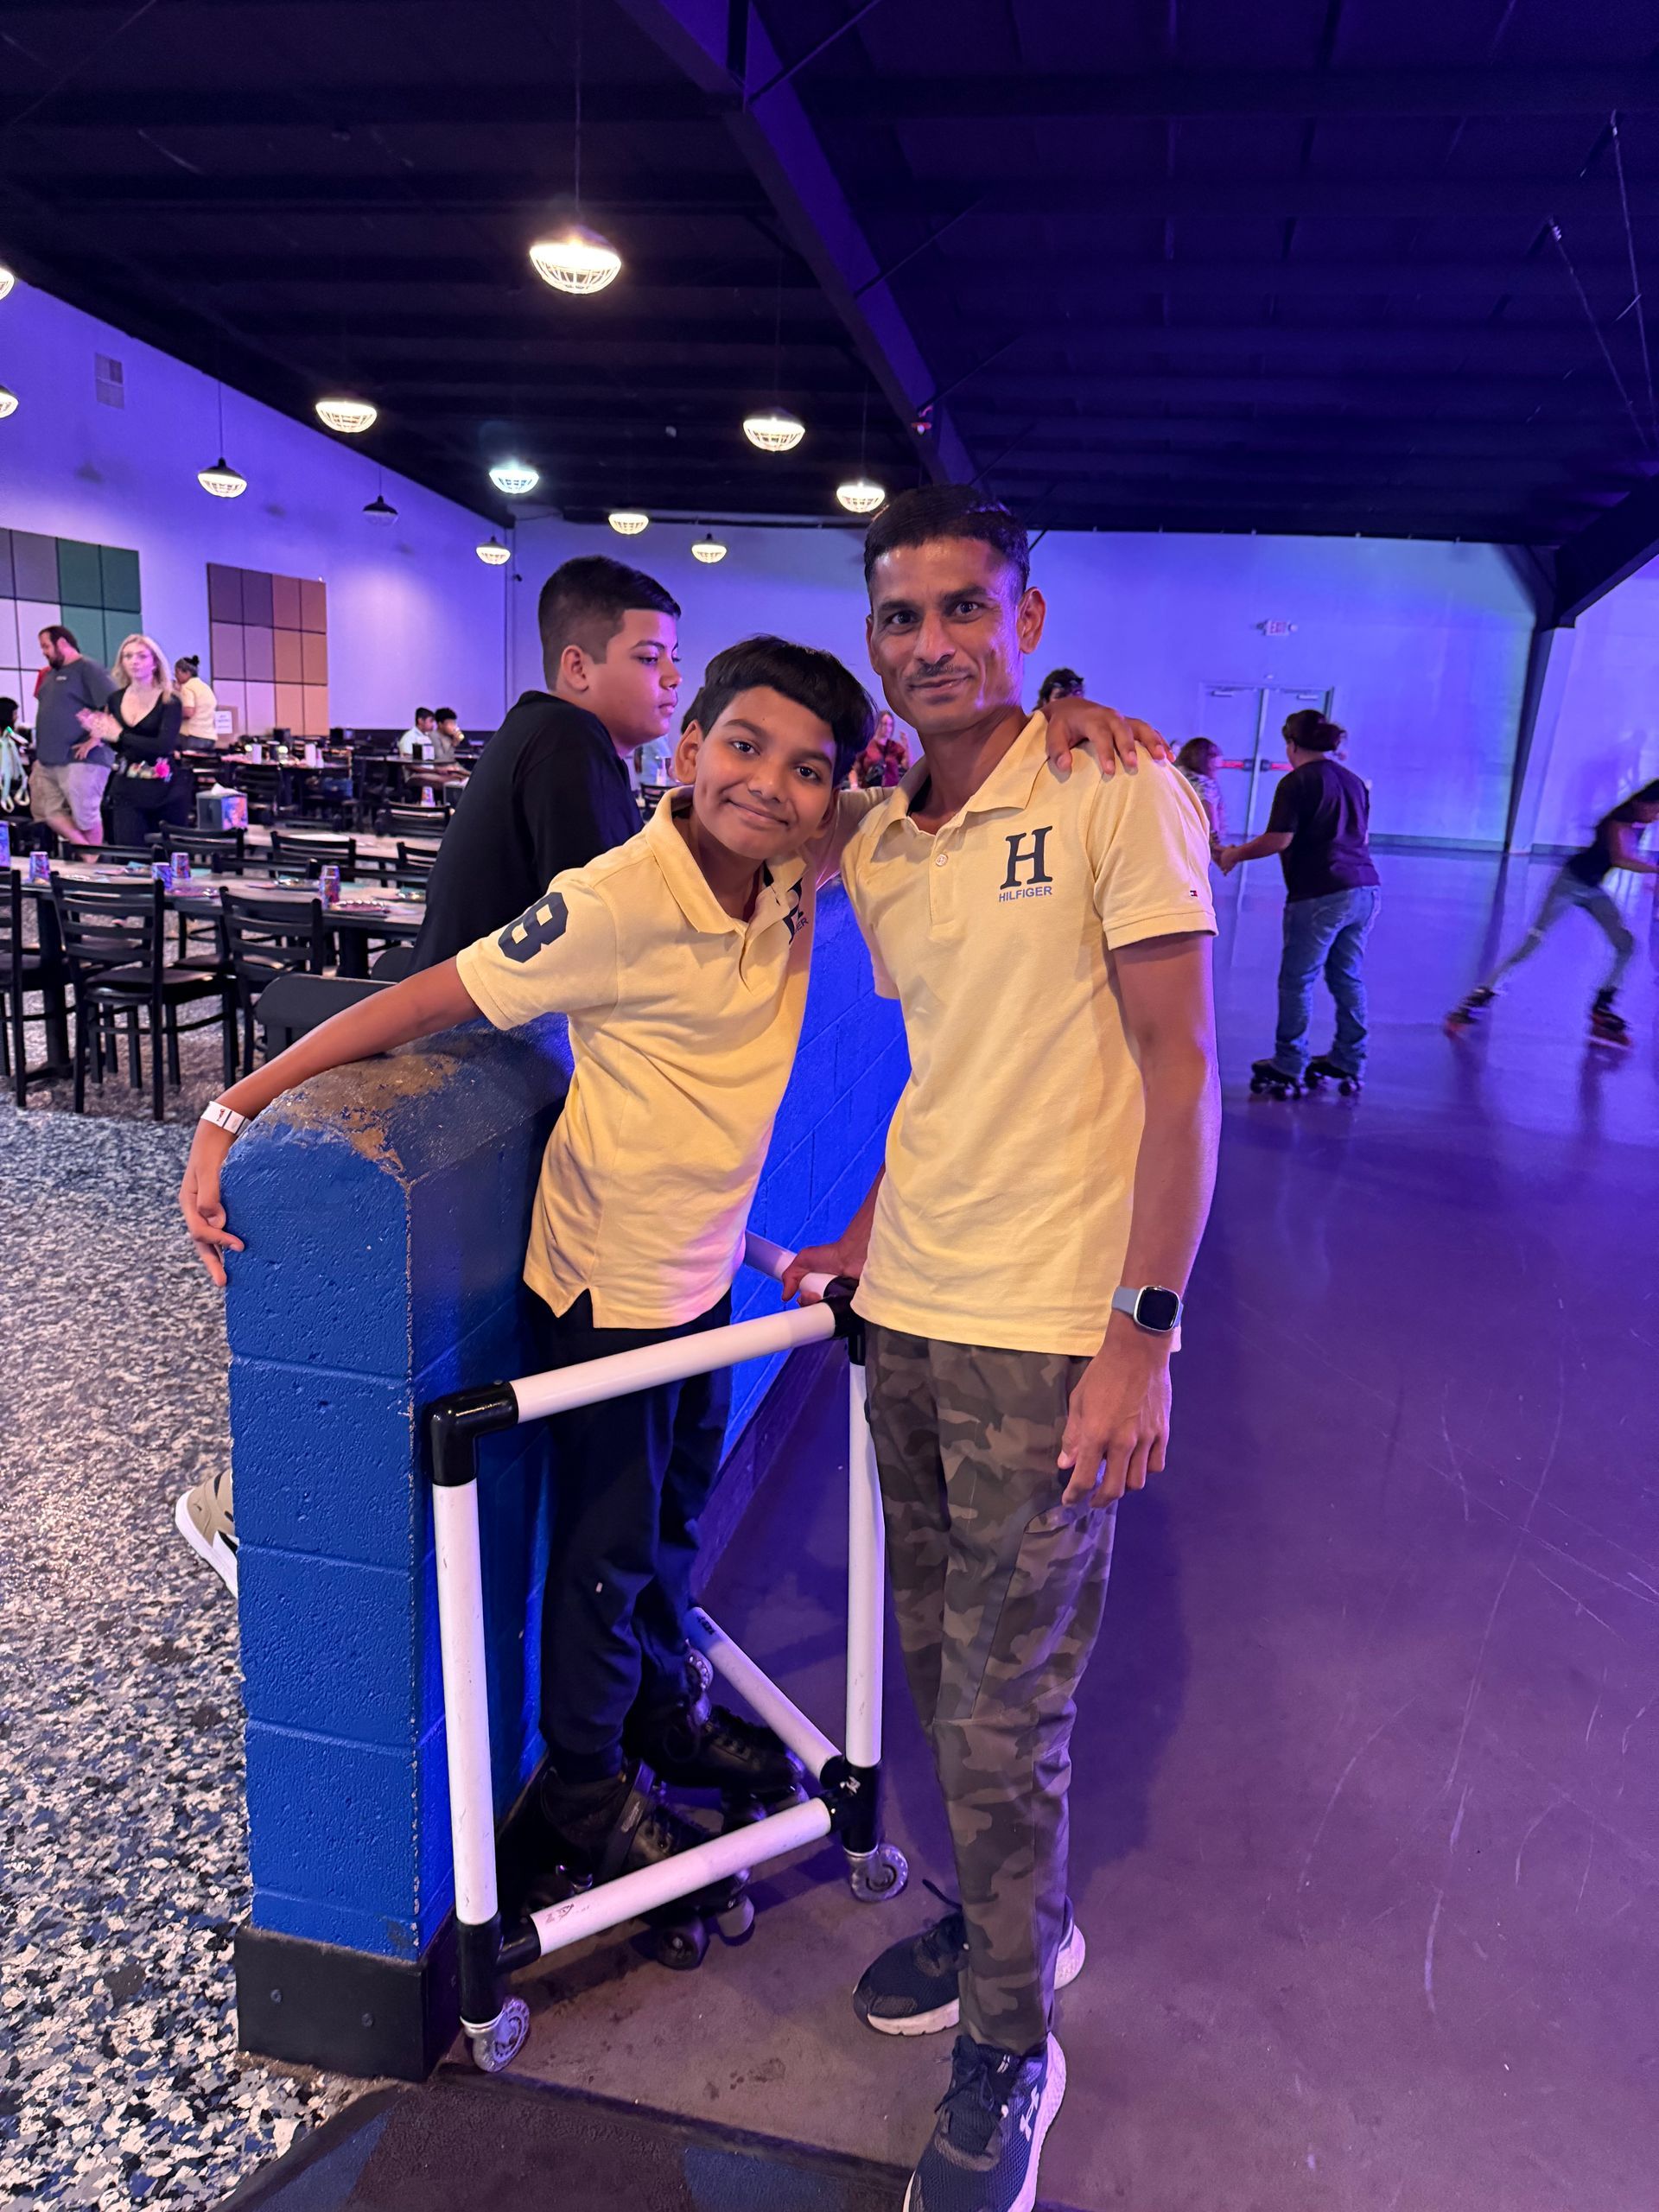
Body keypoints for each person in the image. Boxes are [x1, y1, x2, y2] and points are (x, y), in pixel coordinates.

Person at [178, 639, 886, 1877]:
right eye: (743, 746)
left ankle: (661, 1712)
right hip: (613, 1286)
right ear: (690, 748)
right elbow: (429, 997)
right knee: (606, 1559)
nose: (771, 784)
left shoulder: (790, 866)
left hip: (701, 1273)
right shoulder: (615, 900)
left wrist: (1063, 726)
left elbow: (937, 799)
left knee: (671, 1520)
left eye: (808, 769)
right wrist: (234, 1107)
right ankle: (584, 1790)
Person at [784, 486, 1219, 2212]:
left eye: (968, 606)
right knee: (938, 1663)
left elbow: (1181, 1073)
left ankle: (1010, 2045)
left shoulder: (1120, 786)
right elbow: (951, 1067)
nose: (936, 641)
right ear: (875, 639)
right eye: (903, 616)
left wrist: (1144, 1334)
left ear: (1025, 622)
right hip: (911, 1314)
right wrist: (867, 1226)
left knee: (1002, 1704)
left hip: (1053, 1332)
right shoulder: (888, 843)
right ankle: (1001, 1922)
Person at [1216, 709, 1381, 1096]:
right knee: (1347, 976)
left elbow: (1279, 839)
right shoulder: (1354, 782)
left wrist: (1234, 854)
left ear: (1291, 744)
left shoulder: (1296, 782)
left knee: (1297, 979)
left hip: (1319, 891)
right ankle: (1350, 1058)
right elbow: (1363, 838)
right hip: (1365, 888)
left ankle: (1289, 1064)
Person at [1446, 779, 1659, 1046]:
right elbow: (1621, 858)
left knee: (1626, 944)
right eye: (1655, 809)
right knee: (1534, 942)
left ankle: (1602, 1007)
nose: (1656, 816)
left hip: (1592, 889)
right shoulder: (1617, 822)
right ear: (1641, 803)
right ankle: (1477, 999)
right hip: (1567, 885)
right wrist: (1655, 869)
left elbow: (1625, 858)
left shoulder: (1636, 825)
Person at [82, 633, 192, 850]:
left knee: (165, 859)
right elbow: (119, 746)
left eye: (142, 656)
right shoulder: (115, 699)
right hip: (128, 788)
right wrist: (103, 731)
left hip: (165, 791)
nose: (134, 661)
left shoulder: (169, 700)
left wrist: (120, 735)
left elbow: (163, 747)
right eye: (128, 656)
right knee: (130, 857)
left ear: (155, 663)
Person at [29, 626, 115, 852]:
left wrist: (95, 738)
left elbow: (112, 704)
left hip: (82, 759)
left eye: (46, 646)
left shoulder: (88, 668)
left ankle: (91, 862)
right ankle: (88, 854)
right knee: (48, 813)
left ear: (62, 643)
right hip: (49, 759)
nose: (44, 652)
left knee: (85, 816)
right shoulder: (49, 674)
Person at [1174, 735, 1225, 844]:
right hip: (1193, 844)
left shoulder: (1174, 775)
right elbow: (1207, 805)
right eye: (1214, 755)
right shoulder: (1204, 784)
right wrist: (1213, 840)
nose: (1219, 761)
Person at [175, 656, 220, 747]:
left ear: (184, 672)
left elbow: (188, 712)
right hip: (209, 736)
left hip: (192, 735)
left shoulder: (187, 687)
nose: (176, 676)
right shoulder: (206, 688)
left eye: (176, 672)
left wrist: (172, 713)